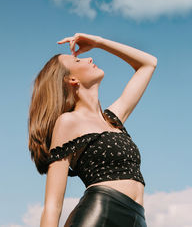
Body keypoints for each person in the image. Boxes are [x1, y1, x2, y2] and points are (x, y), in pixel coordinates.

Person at [28, 33, 157, 227]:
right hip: (100, 214)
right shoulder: (67, 122)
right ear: (71, 79)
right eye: (78, 60)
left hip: (137, 218)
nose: (89, 58)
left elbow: (149, 63)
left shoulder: (113, 119)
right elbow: (52, 205)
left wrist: (99, 42)